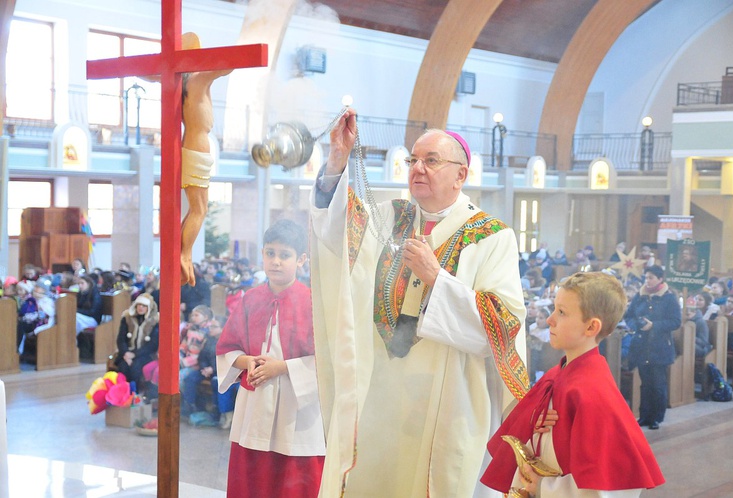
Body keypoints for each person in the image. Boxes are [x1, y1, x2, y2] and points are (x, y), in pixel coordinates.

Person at [309, 109, 528, 496]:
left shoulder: (493, 236)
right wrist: (337, 162)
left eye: (431, 161)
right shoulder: (390, 216)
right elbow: (336, 237)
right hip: (381, 392)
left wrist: (436, 279)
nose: (418, 169)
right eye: (413, 160)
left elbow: (504, 322)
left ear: (461, 175)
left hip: (446, 395)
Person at [481, 272, 665, 496]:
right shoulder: (557, 374)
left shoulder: (592, 393)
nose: (550, 320)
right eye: (554, 309)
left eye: (561, 312)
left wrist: (542, 487)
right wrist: (533, 423)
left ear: (591, 328)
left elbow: (608, 488)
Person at [216, 219, 325, 498]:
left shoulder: (313, 302)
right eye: (270, 253)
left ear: (301, 259)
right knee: (252, 480)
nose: (276, 261)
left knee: (294, 480)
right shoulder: (250, 299)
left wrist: (281, 367)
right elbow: (227, 348)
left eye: (284, 255)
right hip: (255, 403)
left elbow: (328, 360)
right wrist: (247, 361)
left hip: (296, 404)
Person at [177, 32, 232, 287]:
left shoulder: (185, 82)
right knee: (200, 209)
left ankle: (181, 252)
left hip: (195, 146)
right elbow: (225, 66)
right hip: (197, 147)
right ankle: (184, 253)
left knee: (197, 208)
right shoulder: (197, 79)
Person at [623, 265, 681, 430]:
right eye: (646, 278)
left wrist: (654, 325)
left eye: (651, 278)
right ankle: (644, 416)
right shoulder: (640, 296)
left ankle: (656, 418)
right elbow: (629, 316)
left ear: (660, 279)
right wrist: (637, 325)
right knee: (645, 383)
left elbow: (675, 322)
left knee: (658, 384)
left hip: (659, 347)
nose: (647, 281)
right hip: (642, 346)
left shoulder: (668, 298)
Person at [113, 293, 160, 392]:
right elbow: (121, 339)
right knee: (123, 367)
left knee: (136, 367)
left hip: (144, 354)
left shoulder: (155, 321)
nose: (141, 308)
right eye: (139, 305)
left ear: (148, 308)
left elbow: (152, 345)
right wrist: (126, 353)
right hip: (127, 352)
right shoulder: (127, 318)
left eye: (144, 306)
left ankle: (134, 393)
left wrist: (134, 355)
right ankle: (122, 393)